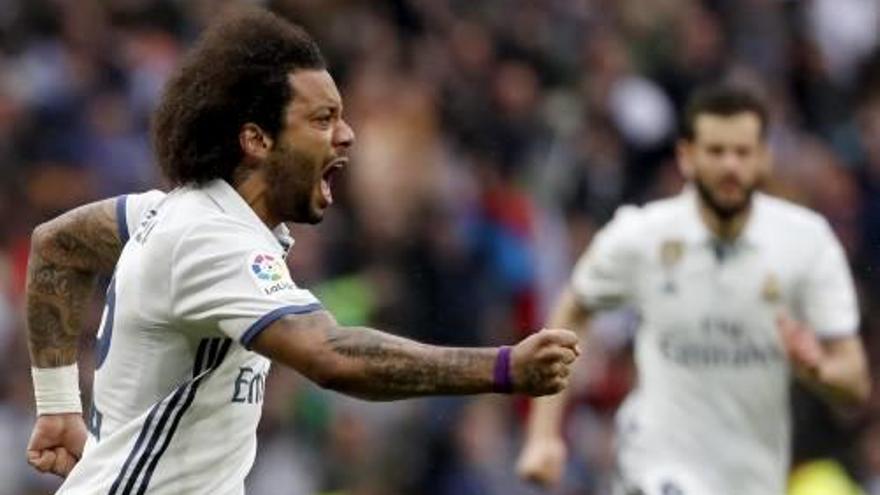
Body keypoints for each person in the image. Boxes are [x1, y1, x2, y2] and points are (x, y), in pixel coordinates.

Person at [24, 7, 581, 494]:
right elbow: (331, 356)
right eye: (322, 119)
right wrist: (504, 367)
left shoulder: (166, 213)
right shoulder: (209, 238)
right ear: (257, 140)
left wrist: (56, 405)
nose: (347, 135)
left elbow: (57, 245)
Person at [516, 85, 871, 495]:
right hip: (657, 462)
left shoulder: (806, 243)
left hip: (752, 475)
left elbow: (856, 381)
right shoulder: (641, 235)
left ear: (764, 158)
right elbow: (572, 309)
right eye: (716, 151)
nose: (730, 166)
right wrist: (542, 435)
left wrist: (818, 369)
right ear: (687, 156)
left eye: (742, 152)